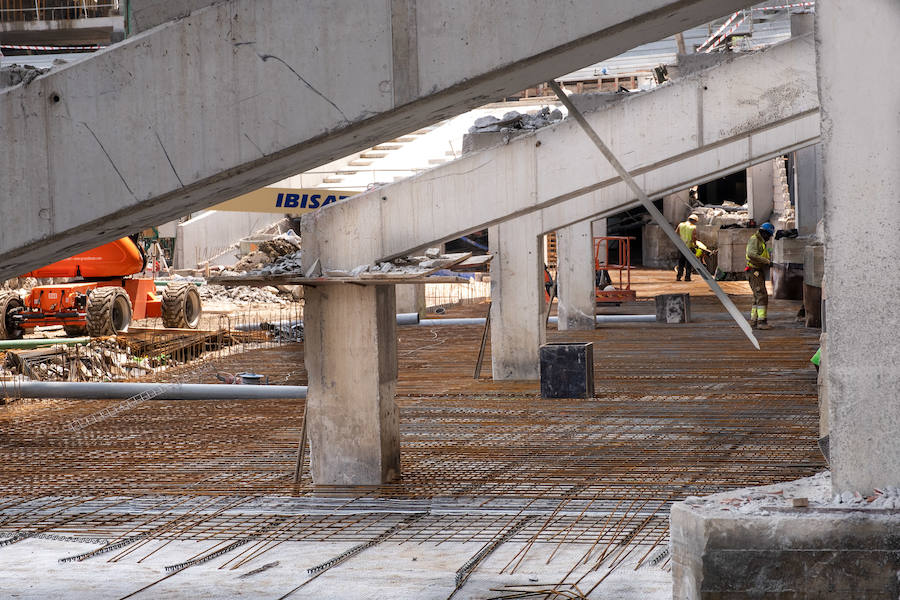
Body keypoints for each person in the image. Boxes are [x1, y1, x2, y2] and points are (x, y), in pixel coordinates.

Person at [746, 222, 775, 329]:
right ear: (764, 233)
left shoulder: (761, 241)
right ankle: (762, 322)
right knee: (762, 295)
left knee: (757, 296)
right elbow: (751, 254)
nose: (769, 238)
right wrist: (766, 261)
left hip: (758, 270)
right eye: (769, 235)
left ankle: (754, 321)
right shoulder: (755, 240)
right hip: (754, 271)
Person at [675, 214, 699, 281]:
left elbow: (676, 233)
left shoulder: (681, 224)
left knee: (681, 262)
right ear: (694, 221)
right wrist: (695, 245)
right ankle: (687, 277)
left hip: (681, 246)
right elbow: (694, 237)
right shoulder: (693, 227)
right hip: (689, 247)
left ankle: (679, 276)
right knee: (689, 263)